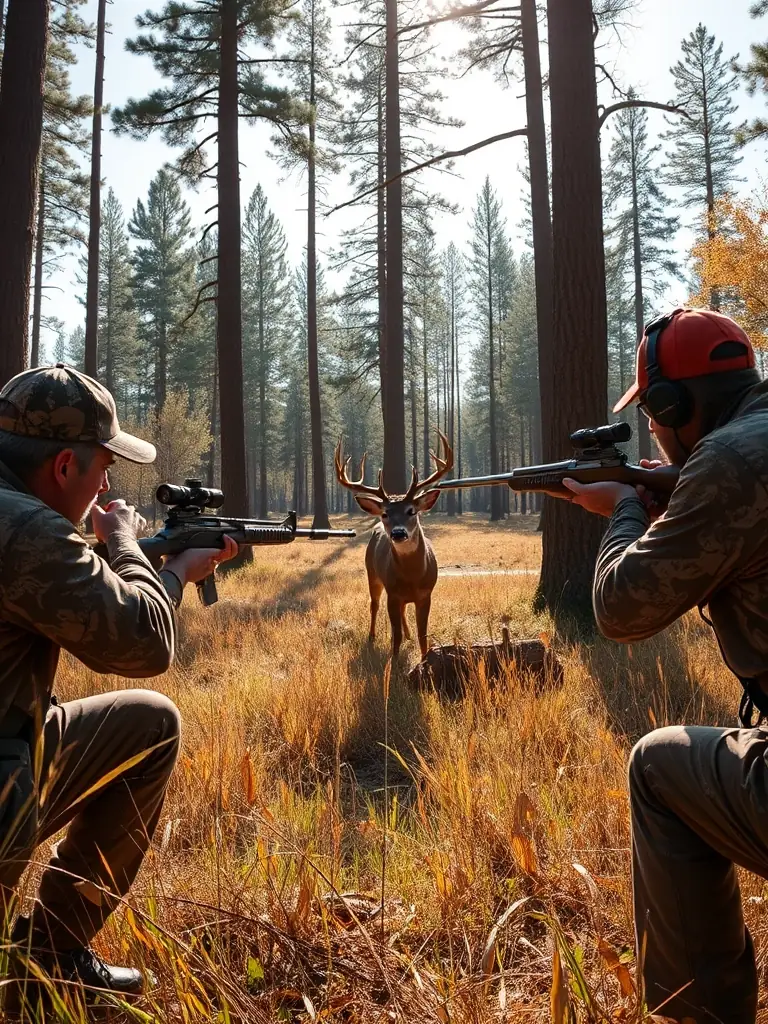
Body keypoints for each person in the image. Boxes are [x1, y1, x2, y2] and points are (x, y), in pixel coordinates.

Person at [549, 307, 768, 1024]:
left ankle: (697, 1013)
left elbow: (622, 611)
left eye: (650, 413)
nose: (651, 429)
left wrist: (623, 510)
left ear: (676, 406)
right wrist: (677, 488)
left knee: (656, 766)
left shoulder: (726, 462)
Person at [0, 363, 238, 1015]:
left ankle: (47, 957)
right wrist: (145, 555)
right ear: (63, 466)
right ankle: (42, 967)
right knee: (155, 719)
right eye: (103, 467)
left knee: (146, 724)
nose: (106, 486)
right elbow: (144, 643)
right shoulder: (28, 530)